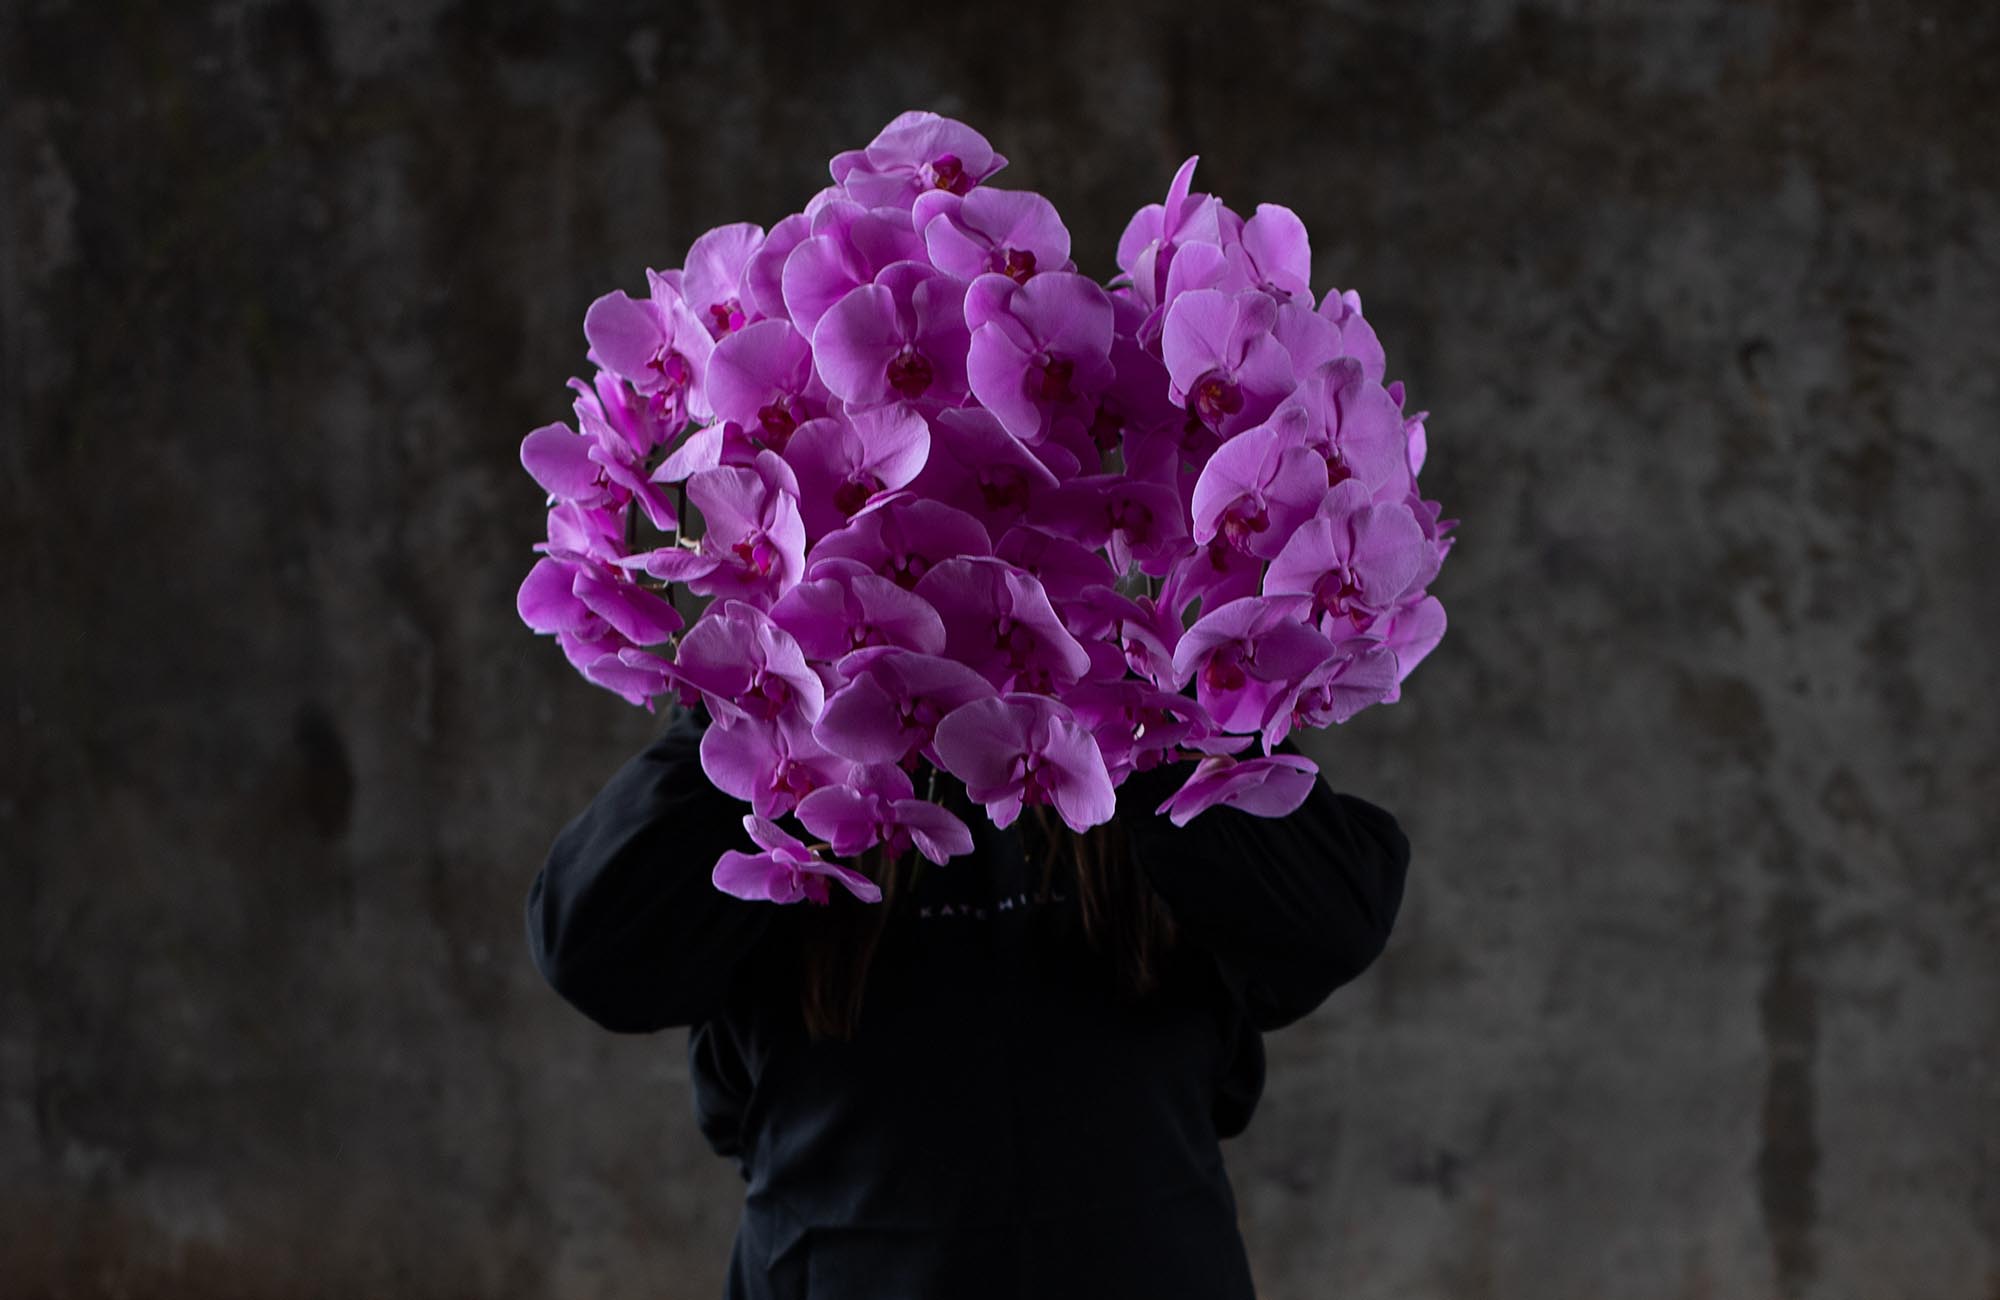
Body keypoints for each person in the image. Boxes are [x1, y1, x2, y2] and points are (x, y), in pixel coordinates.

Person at [525, 700, 1411, 1299]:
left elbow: (1334, 921)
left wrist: (1129, 694)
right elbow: (592, 950)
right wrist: (782, 672)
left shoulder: (1149, 712)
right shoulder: (794, 730)